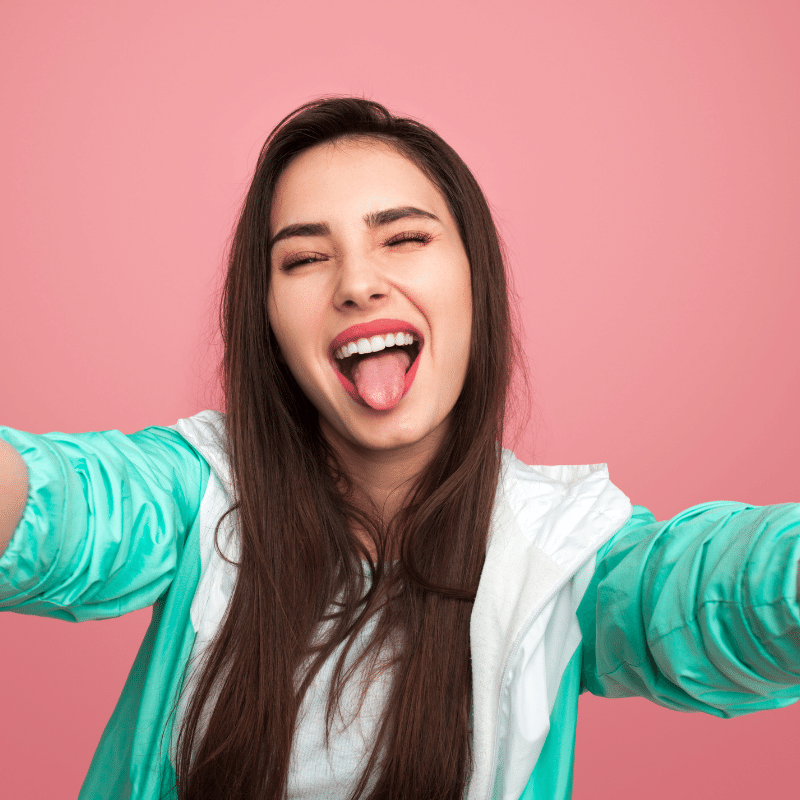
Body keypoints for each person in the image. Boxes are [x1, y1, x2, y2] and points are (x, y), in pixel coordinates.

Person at [1, 97, 799, 800]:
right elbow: (64, 504)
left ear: (473, 281)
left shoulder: (559, 551)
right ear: (270, 323)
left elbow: (712, 591)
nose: (356, 282)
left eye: (404, 239)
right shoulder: (196, 493)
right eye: (306, 258)